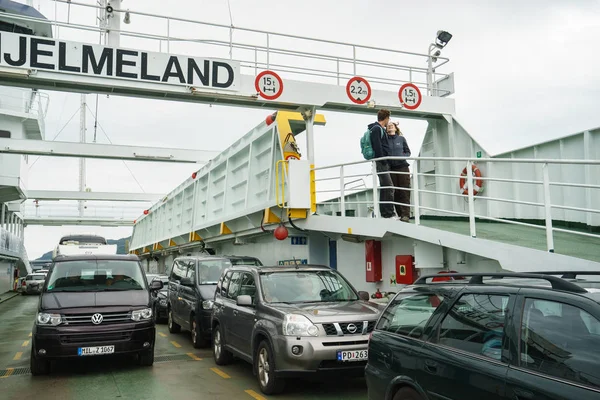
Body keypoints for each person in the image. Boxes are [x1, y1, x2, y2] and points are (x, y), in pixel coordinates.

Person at [367, 109, 395, 219]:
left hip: (382, 162)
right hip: (381, 162)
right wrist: (384, 160)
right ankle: (388, 213)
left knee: (385, 187)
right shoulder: (377, 129)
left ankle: (385, 213)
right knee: (389, 186)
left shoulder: (377, 128)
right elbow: (378, 146)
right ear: (387, 118)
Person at [386, 122, 411, 222]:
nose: (390, 126)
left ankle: (406, 215)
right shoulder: (385, 140)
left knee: (404, 191)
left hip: (402, 167)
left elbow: (408, 152)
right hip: (391, 168)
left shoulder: (401, 139)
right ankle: (400, 215)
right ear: (386, 129)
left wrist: (401, 157)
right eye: (388, 125)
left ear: (396, 128)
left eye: (392, 125)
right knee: (395, 192)